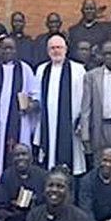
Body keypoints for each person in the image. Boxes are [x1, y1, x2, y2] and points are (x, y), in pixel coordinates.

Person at [0, 35, 41, 198]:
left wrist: (31, 105)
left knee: (17, 158)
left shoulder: (25, 70)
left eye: (11, 48)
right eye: (5, 48)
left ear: (17, 50)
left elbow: (36, 94)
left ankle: (16, 196)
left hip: (18, 124)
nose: (8, 51)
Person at [35, 34, 87, 174]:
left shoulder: (78, 70)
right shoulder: (41, 70)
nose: (56, 51)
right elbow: (36, 96)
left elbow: (85, 99)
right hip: (47, 123)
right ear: (47, 51)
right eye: (52, 48)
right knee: (49, 157)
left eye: (59, 47)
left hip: (71, 124)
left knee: (71, 160)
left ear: (66, 49)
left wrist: (82, 120)